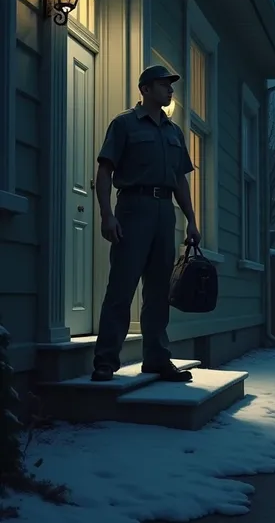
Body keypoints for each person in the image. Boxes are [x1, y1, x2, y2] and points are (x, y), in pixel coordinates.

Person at [91, 65, 201, 383]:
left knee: (157, 291)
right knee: (122, 287)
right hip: (133, 207)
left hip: (164, 212)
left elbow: (180, 179)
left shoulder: (173, 132)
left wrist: (192, 220)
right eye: (164, 85)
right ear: (145, 89)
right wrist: (106, 214)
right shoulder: (125, 124)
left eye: (171, 86)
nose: (170, 90)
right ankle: (105, 361)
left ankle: (156, 358)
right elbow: (104, 171)